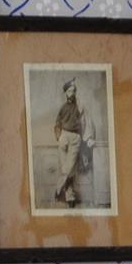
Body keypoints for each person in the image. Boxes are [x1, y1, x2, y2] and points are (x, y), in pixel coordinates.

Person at [52, 79, 86, 207]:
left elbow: (83, 119)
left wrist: (83, 138)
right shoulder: (63, 107)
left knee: (69, 167)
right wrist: (59, 136)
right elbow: (57, 123)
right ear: (66, 92)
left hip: (75, 138)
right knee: (66, 168)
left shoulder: (79, 105)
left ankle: (58, 187)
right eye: (70, 90)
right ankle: (70, 197)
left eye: (74, 90)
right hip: (64, 137)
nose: (72, 93)